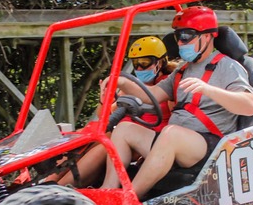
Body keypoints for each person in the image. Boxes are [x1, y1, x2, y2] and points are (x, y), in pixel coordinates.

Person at [100, 6, 253, 199]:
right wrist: (122, 81)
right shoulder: (183, 70)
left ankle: (128, 200)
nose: (181, 42)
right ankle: (107, 193)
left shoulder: (228, 66)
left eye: (187, 36)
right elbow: (154, 94)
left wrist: (209, 90)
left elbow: (249, 105)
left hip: (210, 146)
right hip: (175, 142)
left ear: (207, 37)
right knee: (124, 129)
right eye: (178, 36)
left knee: (170, 134)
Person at [56, 36, 175, 187]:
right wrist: (104, 100)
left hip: (145, 138)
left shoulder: (166, 86)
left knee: (105, 146)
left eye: (144, 63)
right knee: (90, 135)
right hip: (123, 134)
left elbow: (176, 119)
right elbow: (105, 117)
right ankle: (48, 182)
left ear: (160, 62)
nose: (139, 69)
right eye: (136, 63)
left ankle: (61, 188)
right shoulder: (132, 86)